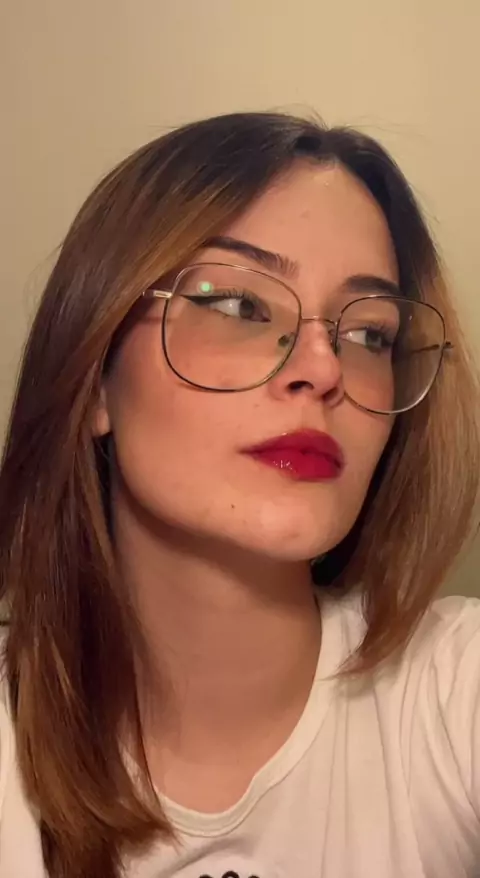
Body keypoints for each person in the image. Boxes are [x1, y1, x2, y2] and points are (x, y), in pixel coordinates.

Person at [0, 111, 479, 878]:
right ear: (95, 380)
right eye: (238, 305)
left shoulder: (456, 691)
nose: (323, 368)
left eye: (370, 335)